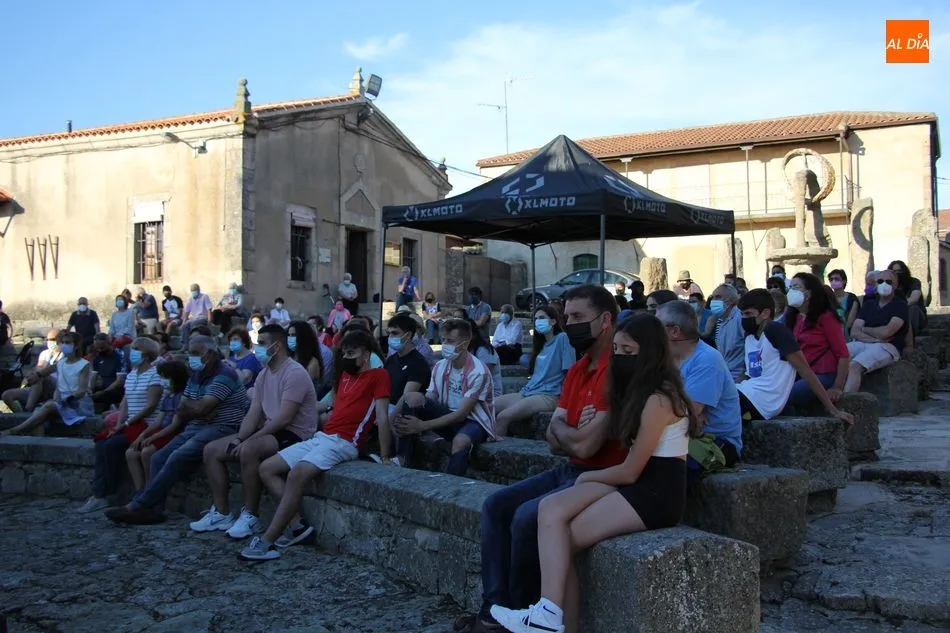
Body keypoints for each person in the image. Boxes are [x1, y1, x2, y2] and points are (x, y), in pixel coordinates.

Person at [489, 312, 699, 633]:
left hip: (655, 494)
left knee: (565, 531)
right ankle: (549, 617)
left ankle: (549, 617)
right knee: (552, 513)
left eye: (628, 352)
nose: (619, 358)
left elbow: (631, 471)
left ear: (651, 353)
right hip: (637, 483)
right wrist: (588, 421)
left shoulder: (660, 399)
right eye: (616, 350)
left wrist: (587, 478)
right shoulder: (636, 392)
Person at [454, 285, 624, 633]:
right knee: (495, 505)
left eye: (578, 317)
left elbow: (588, 446)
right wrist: (570, 434)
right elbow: (553, 437)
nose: (569, 324)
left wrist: (568, 434)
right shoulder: (578, 371)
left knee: (526, 517)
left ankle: (524, 613)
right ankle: (495, 611)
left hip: (603, 476)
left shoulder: (619, 368)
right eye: (567, 317)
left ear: (606, 320)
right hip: (571, 468)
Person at [239, 329, 390, 560]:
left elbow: (381, 417)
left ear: (366, 354)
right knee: (266, 468)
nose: (347, 357)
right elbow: (334, 406)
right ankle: (297, 526)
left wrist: (386, 456)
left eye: (352, 353)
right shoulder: (346, 376)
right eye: (344, 353)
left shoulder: (379, 376)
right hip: (324, 437)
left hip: (345, 442)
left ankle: (267, 540)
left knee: (297, 474)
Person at [105, 335, 250, 525]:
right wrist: (200, 410)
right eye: (190, 353)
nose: (192, 357)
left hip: (222, 427)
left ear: (211, 354)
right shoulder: (196, 375)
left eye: (196, 353)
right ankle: (154, 510)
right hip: (198, 425)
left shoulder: (225, 374)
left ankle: (139, 504)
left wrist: (198, 409)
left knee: (178, 455)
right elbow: (183, 408)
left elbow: (199, 407)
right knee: (158, 457)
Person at [193, 324, 317, 538]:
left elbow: (285, 418)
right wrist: (240, 437)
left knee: (249, 450)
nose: (257, 348)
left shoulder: (295, 373)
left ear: (276, 346)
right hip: (271, 430)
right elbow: (253, 413)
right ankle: (221, 512)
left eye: (262, 343)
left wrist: (248, 441)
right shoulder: (264, 375)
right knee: (212, 450)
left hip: (295, 433)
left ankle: (251, 516)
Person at [392, 319, 495, 475]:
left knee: (460, 442)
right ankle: (402, 459)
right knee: (412, 397)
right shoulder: (441, 365)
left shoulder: (478, 371)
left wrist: (422, 426)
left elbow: (461, 415)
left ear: (465, 343)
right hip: (446, 413)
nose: (445, 344)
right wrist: (414, 415)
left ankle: (452, 482)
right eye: (444, 339)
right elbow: (431, 397)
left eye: (450, 341)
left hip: (473, 421)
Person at [735, 290, 852, 425]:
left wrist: (832, 409)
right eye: (742, 314)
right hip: (749, 392)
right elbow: (752, 375)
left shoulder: (776, 331)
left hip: (764, 400)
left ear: (765, 313)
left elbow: (805, 370)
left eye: (748, 313)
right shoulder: (750, 336)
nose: (744, 318)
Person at [77, 338, 164, 513]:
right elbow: (125, 402)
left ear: (146, 354)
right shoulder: (132, 374)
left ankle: (106, 492)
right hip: (130, 424)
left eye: (136, 349)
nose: (132, 353)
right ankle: (100, 493)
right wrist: (118, 424)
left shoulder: (155, 375)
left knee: (112, 446)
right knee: (101, 443)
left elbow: (151, 406)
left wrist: (126, 423)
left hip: (146, 425)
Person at [657, 301, 742, 469]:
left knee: (662, 469)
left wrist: (685, 412)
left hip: (716, 443)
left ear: (674, 331)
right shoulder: (665, 358)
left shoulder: (707, 360)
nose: (651, 333)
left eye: (657, 326)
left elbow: (683, 414)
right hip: (684, 434)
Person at [494, 306, 575, 439]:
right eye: (536, 319)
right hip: (528, 392)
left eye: (542, 318)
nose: (538, 321)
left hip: (548, 395)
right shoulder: (541, 345)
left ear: (553, 321)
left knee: (503, 416)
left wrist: (566, 404)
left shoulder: (563, 338)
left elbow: (570, 372)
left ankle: (495, 452)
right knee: (487, 406)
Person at [2, 332, 93, 436]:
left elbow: (82, 390)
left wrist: (67, 398)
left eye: (67, 343)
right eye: (62, 342)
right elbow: (45, 372)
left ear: (76, 346)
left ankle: (15, 431)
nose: (64, 345)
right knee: (38, 413)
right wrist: (34, 375)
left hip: (78, 404)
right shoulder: (61, 363)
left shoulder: (84, 365)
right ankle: (36, 445)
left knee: (48, 405)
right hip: (61, 402)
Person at [782, 273, 850, 410]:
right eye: (790, 287)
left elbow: (843, 355)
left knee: (786, 397)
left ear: (809, 293)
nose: (791, 291)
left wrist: (837, 387)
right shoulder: (794, 317)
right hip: (798, 373)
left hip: (822, 374)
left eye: (796, 287)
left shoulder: (826, 317)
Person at [125, 360, 190, 492]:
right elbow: (158, 422)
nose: (162, 381)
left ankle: (150, 488)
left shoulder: (181, 396)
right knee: (130, 452)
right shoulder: (167, 396)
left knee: (147, 452)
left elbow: (174, 425)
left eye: (165, 377)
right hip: (162, 430)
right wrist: (142, 435)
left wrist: (152, 438)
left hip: (173, 432)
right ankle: (140, 490)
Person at [845, 268, 909, 392]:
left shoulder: (900, 305)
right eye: (880, 281)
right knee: (841, 356)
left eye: (888, 281)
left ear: (896, 285)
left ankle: (847, 403)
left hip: (888, 347)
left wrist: (864, 329)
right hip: (871, 342)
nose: (884, 284)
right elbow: (854, 331)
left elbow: (887, 332)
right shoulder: (869, 305)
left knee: (855, 365)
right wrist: (876, 338)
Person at [2, 329, 63, 413]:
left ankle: (28, 409)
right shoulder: (45, 353)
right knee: (7, 395)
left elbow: (44, 372)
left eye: (52, 340)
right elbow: (39, 367)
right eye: (47, 339)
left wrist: (38, 374)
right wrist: (29, 377)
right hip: (37, 387)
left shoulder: (65, 355)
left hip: (56, 387)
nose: (49, 342)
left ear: (60, 340)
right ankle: (21, 414)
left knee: (40, 377)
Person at [702, 284, 745, 380]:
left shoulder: (740, 318)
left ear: (731, 300)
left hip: (738, 378)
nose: (713, 301)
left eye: (718, 297)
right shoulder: (721, 320)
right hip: (725, 375)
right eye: (712, 298)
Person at [89, 333, 127, 412]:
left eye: (102, 347)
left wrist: (103, 392)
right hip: (102, 386)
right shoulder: (96, 356)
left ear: (109, 344)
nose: (99, 349)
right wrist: (89, 391)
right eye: (97, 347)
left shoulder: (119, 355)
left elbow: (120, 381)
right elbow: (93, 376)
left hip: (116, 388)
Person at [888, 260, 926, 334]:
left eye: (900, 271)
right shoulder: (889, 284)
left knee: (913, 308)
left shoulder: (914, 282)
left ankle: (910, 334)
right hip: (896, 316)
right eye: (894, 271)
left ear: (904, 271)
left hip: (915, 315)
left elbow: (914, 298)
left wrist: (898, 307)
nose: (897, 273)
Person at [468, 317, 503, 398]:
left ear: (473, 334)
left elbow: (481, 378)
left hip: (489, 395)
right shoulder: (466, 350)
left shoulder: (484, 350)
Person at [288, 320, 324, 391]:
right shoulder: (288, 358)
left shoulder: (312, 363)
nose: (290, 338)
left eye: (294, 335)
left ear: (303, 337)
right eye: (289, 335)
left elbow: (302, 390)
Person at [828, 269, 860, 339]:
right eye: (831, 279)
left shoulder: (852, 298)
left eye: (836, 279)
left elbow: (850, 322)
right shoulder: (828, 298)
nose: (833, 281)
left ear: (844, 281)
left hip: (847, 334)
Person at [181, 284, 213, 348]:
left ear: (198, 290)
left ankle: (193, 343)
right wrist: (183, 323)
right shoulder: (190, 299)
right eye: (192, 290)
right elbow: (187, 312)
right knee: (185, 326)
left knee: (193, 323)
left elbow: (209, 310)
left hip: (203, 317)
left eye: (195, 290)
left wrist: (209, 322)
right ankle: (185, 346)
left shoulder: (204, 297)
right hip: (194, 318)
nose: (193, 292)